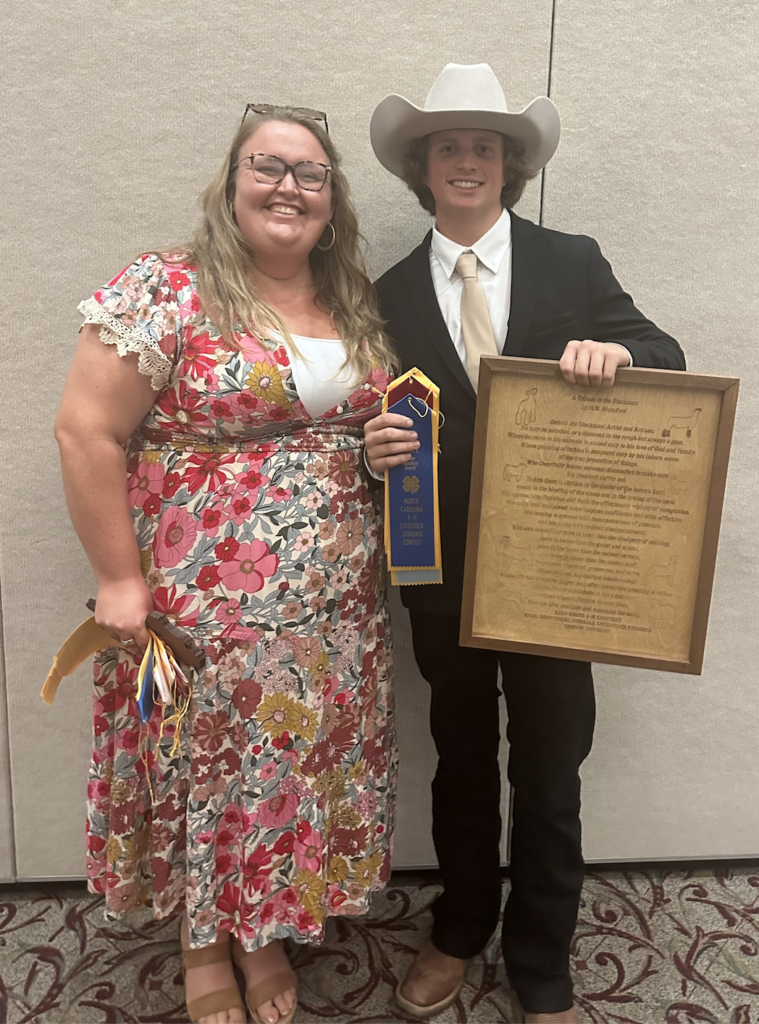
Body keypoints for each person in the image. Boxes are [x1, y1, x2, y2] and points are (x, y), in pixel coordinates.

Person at [55, 103, 398, 1024]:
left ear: (332, 201)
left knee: (284, 764)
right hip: (198, 601)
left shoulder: (348, 297)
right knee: (202, 766)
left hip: (330, 607)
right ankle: (203, 939)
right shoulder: (166, 288)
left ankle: (263, 928)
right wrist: (120, 580)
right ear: (232, 180)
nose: (289, 185)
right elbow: (86, 430)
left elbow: (333, 431)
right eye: (268, 165)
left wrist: (374, 452)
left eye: (310, 173)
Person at [364, 63, 685, 1023]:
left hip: (557, 574)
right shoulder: (377, 294)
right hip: (440, 581)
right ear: (423, 170)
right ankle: (461, 924)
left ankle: (542, 955)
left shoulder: (570, 261)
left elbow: (664, 355)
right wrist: (372, 453)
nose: (466, 162)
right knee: (459, 761)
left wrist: (618, 354)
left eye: (484, 147)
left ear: (510, 167)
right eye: (448, 148)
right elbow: (362, 430)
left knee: (549, 769)